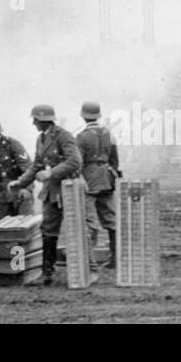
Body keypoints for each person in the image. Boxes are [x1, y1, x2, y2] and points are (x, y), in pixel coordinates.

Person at [9, 104, 82, 285]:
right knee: (48, 230)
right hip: (51, 191)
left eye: (35, 120)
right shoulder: (40, 139)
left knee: (77, 229)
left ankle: (84, 270)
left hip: (68, 189)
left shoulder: (64, 136)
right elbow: (36, 165)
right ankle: (48, 272)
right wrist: (21, 182)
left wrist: (51, 173)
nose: (33, 123)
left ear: (42, 120)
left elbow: (75, 161)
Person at [76, 101, 120, 269]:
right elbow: (115, 161)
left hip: (89, 181)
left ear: (83, 116)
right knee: (111, 220)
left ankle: (90, 261)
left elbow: (77, 162)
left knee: (89, 221)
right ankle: (115, 258)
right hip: (107, 180)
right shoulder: (109, 134)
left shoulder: (81, 136)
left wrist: (80, 177)